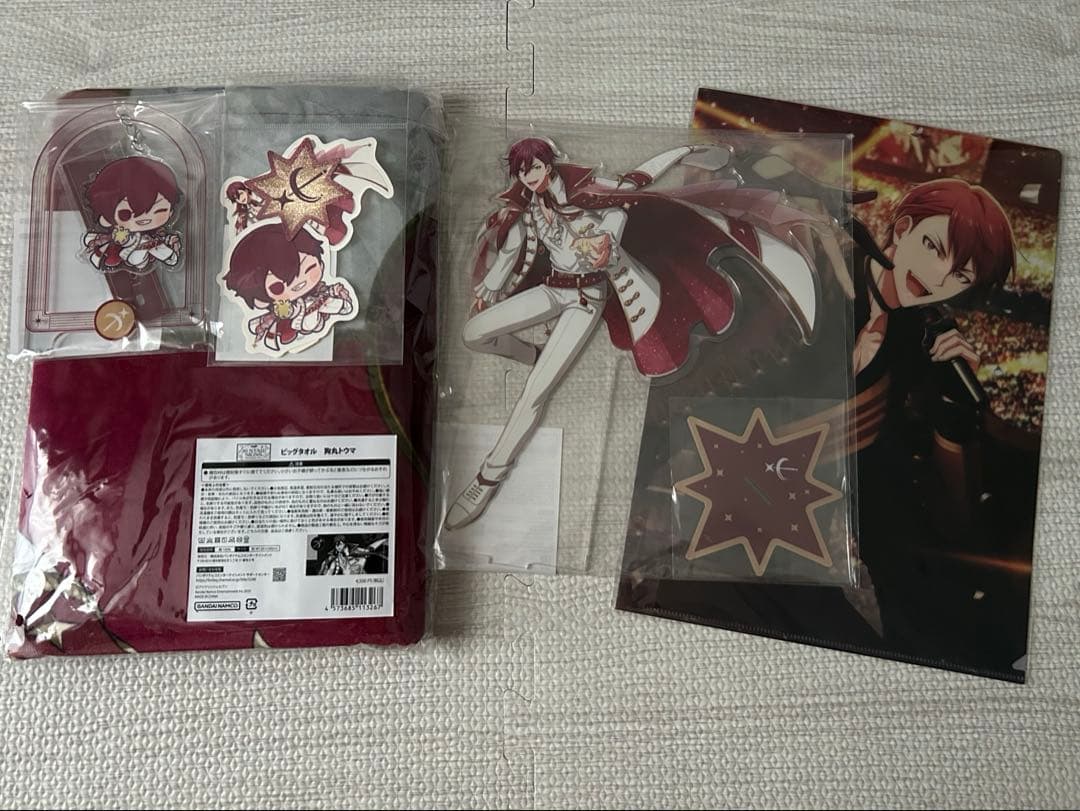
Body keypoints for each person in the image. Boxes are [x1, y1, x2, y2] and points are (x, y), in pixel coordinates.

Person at [444, 137, 842, 529]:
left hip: (584, 301)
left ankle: (488, 477)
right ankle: (535, 356)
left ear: (548, 163)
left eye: (533, 167)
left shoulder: (592, 195)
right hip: (552, 290)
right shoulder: (532, 208)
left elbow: (639, 179)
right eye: (522, 171)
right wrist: (490, 287)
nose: (529, 176)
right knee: (473, 333)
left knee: (535, 393)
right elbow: (512, 251)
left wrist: (686, 152)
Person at [82, 156, 182, 272]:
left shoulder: (157, 235)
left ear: (170, 213)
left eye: (159, 211)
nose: (145, 219)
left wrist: (171, 244)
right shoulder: (116, 235)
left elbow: (168, 252)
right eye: (127, 214)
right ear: (105, 217)